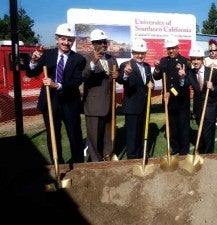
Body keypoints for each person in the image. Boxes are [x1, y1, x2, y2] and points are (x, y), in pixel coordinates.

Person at [26, 23, 86, 164]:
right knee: (53, 135)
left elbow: (76, 81)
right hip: (50, 102)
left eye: (69, 39)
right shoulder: (47, 55)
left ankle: (78, 166)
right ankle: (58, 164)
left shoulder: (79, 59)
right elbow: (31, 72)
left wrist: (56, 85)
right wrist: (34, 61)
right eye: (63, 39)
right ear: (57, 39)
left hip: (70, 103)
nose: (66, 42)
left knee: (74, 134)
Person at [82, 29, 119, 161]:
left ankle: (107, 155)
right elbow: (84, 76)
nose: (103, 45)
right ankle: (96, 160)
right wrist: (93, 63)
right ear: (93, 43)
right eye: (100, 42)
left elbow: (117, 76)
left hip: (109, 103)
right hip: (94, 105)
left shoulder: (111, 58)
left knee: (108, 134)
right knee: (94, 135)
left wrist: (117, 75)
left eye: (105, 42)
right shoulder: (86, 58)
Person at [152, 35, 190, 156]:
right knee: (172, 125)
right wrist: (157, 68)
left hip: (181, 99)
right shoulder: (163, 61)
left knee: (183, 126)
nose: (171, 50)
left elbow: (188, 81)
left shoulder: (185, 61)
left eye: (173, 48)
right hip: (168, 100)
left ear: (178, 48)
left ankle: (184, 150)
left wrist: (172, 91)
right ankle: (175, 147)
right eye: (169, 48)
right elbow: (157, 76)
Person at [117, 39, 154, 159]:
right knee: (132, 134)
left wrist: (151, 85)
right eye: (137, 52)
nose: (140, 55)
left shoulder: (148, 67)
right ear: (133, 53)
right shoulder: (126, 65)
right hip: (132, 106)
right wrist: (126, 74)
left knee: (143, 131)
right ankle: (132, 157)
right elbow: (121, 80)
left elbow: (150, 82)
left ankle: (141, 153)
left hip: (145, 106)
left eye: (142, 53)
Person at [186, 45, 217, 154]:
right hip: (198, 108)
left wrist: (212, 87)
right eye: (193, 59)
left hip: (210, 108)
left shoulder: (213, 71)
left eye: (198, 59)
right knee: (202, 131)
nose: (196, 61)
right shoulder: (190, 73)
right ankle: (203, 150)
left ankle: (208, 155)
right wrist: (182, 78)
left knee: (208, 133)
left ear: (202, 59)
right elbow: (185, 84)